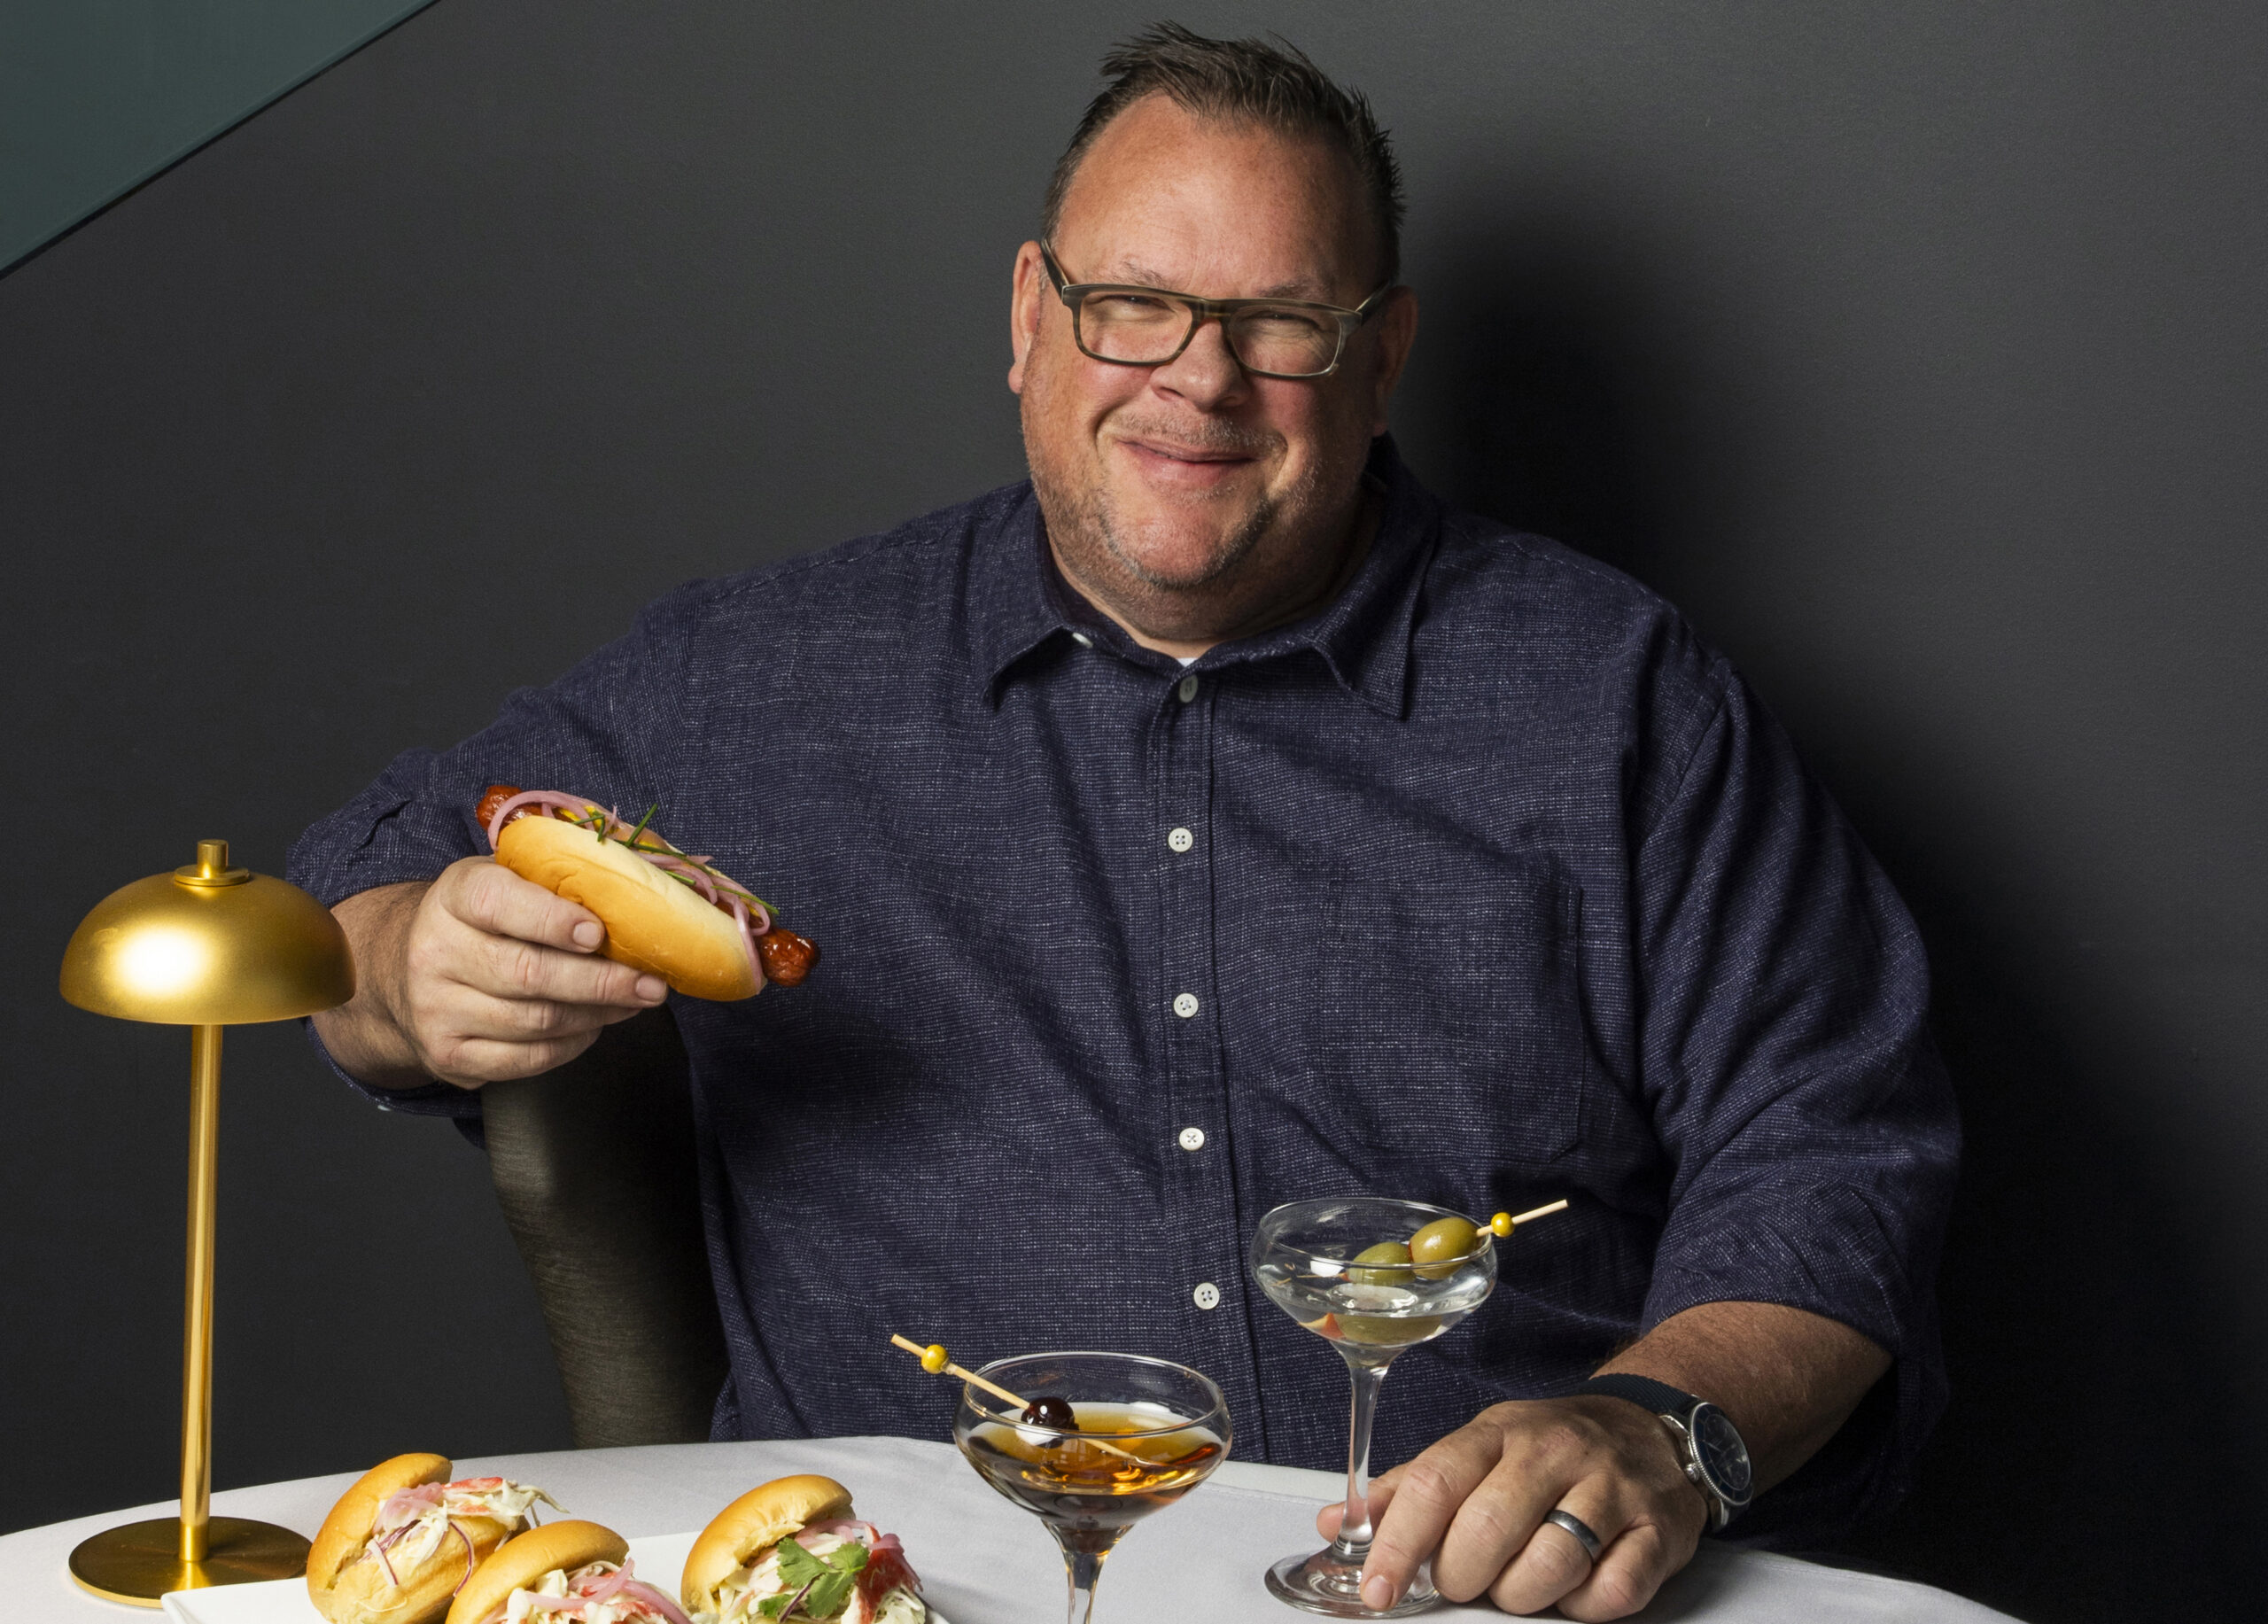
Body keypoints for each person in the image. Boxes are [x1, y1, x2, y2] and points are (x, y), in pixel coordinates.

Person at [291, 25, 1956, 1620]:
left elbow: (1836, 1139)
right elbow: (350, 900)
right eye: (1133, 306)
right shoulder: (760, 673)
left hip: (1482, 1597)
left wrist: (1656, 1422)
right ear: (1030, 315)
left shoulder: (1613, 693)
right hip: (923, 1586)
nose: (1198, 381)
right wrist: (403, 970)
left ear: (1382, 354)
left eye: (1279, 321)